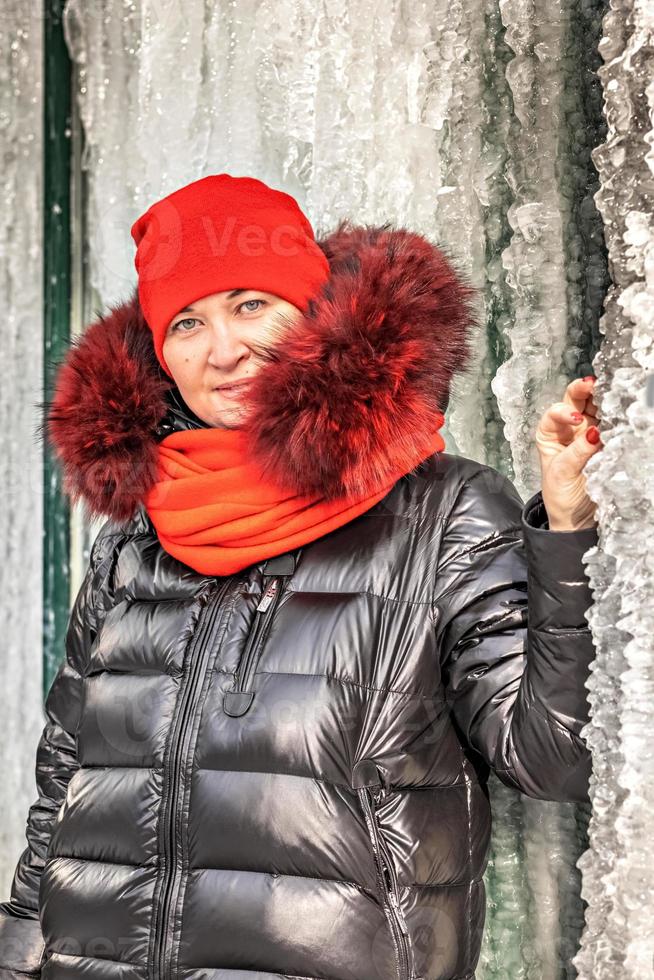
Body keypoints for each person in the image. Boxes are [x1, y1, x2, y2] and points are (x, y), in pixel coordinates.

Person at [0, 173, 602, 980]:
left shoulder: (445, 511)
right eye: (187, 322)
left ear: (315, 314)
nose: (223, 350)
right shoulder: (134, 544)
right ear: (157, 354)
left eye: (251, 305)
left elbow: (554, 757)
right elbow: (61, 796)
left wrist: (568, 533)